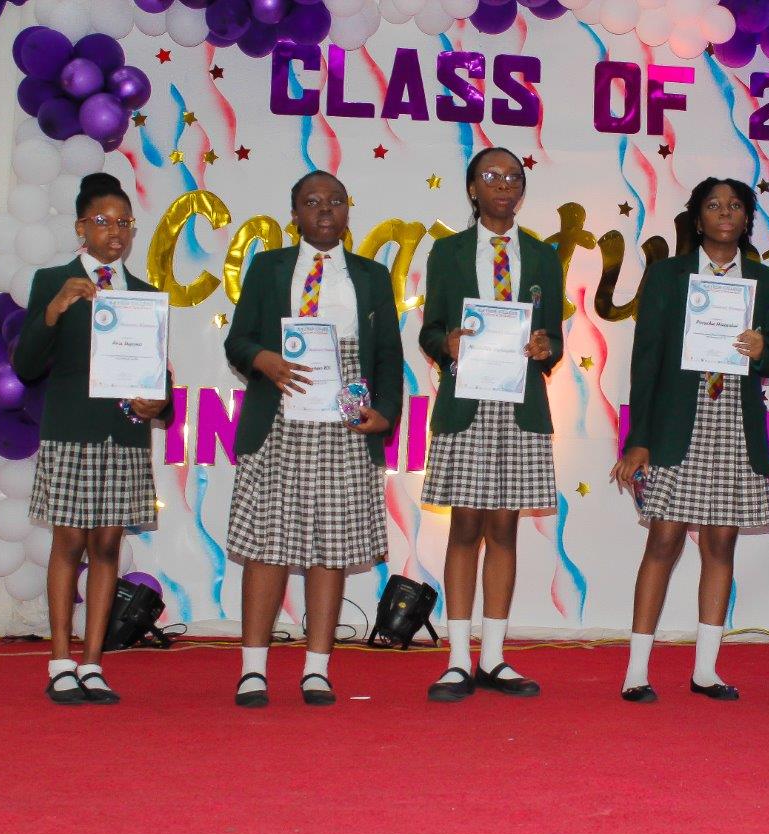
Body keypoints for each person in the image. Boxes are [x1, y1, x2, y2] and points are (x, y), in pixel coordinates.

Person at [224, 170, 403, 708]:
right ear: (295, 214)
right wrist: (263, 358)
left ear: (348, 211)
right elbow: (238, 341)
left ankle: (317, 669)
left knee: (332, 545)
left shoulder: (371, 276)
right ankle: (252, 670)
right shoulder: (268, 267)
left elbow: (387, 355)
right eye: (312, 201)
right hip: (279, 417)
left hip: (344, 422)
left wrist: (385, 413)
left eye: (336, 201)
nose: (325, 210)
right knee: (268, 545)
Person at [610, 178, 769, 702]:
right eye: (713, 205)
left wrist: (762, 348)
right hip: (676, 424)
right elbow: (646, 361)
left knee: (720, 543)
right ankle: (636, 671)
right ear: (698, 218)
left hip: (734, 422)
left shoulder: (764, 281)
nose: (725, 213)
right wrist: (638, 440)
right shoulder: (668, 277)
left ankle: (706, 671)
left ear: (747, 218)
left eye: (735, 206)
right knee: (663, 540)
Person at [13, 172, 172, 705]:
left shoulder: (144, 294)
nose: (115, 232)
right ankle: (60, 660)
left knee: (107, 545)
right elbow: (26, 365)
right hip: (71, 432)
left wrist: (159, 403)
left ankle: (92, 663)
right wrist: (55, 308)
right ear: (81, 227)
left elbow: (159, 377)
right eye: (103, 221)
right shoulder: (53, 281)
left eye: (125, 222)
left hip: (123, 436)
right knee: (69, 543)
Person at [418, 146, 564, 702]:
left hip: (521, 405)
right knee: (464, 527)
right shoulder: (448, 251)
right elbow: (431, 329)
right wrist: (447, 343)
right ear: (472, 188)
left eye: (513, 177)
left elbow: (552, 337)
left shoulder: (543, 255)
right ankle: (457, 660)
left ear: (522, 190)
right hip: (467, 403)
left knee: (504, 529)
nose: (503, 184)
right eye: (491, 175)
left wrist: (546, 347)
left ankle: (494, 658)